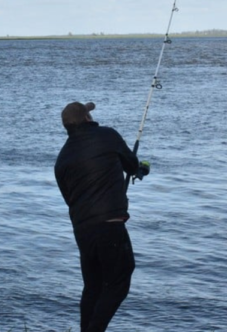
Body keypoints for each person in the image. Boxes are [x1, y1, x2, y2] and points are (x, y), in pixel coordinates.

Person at [54, 101, 149, 332]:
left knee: (93, 287)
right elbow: (131, 163)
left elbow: (70, 199)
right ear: (87, 118)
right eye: (89, 112)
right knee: (119, 283)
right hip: (109, 226)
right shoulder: (106, 135)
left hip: (83, 231)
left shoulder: (62, 159)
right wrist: (140, 169)